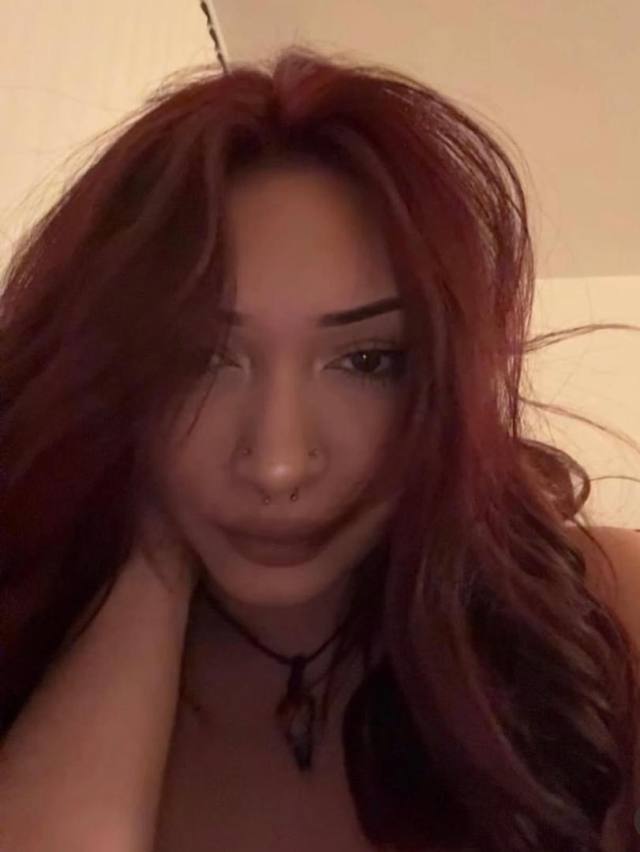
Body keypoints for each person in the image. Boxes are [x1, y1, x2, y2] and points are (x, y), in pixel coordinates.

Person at [0, 47, 638, 852]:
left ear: (444, 384)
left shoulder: (606, 614)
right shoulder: (32, 645)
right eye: (198, 359)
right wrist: (145, 569)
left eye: (367, 361)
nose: (278, 463)